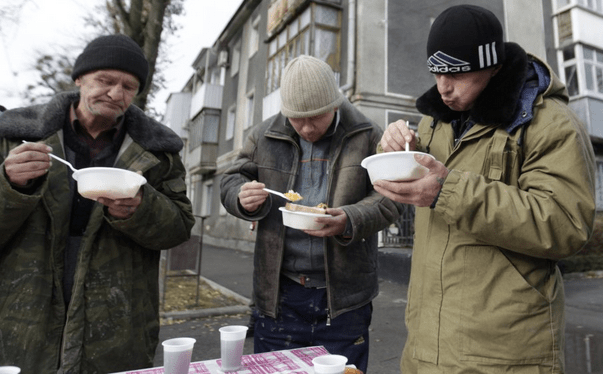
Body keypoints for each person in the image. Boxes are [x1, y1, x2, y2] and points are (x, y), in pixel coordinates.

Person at [375, 5, 596, 374]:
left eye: (457, 74)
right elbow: (415, 181)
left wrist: (448, 191)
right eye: (436, 71)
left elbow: (566, 224)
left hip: (507, 354)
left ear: (493, 66)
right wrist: (394, 148)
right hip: (425, 347)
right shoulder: (434, 123)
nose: (443, 87)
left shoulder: (551, 124)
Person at [0, 34, 195, 374]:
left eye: (128, 86)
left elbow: (179, 227)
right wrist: (10, 185)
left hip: (117, 324)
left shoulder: (158, 150)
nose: (116, 94)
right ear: (79, 79)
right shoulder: (16, 135)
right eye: (105, 80)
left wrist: (140, 209)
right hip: (23, 315)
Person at [220, 55, 402, 373]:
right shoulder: (263, 135)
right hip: (280, 294)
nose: (306, 128)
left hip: (345, 297)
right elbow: (232, 179)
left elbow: (391, 197)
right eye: (296, 118)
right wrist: (241, 196)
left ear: (334, 105)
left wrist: (350, 218)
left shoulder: (366, 133)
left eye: (315, 117)